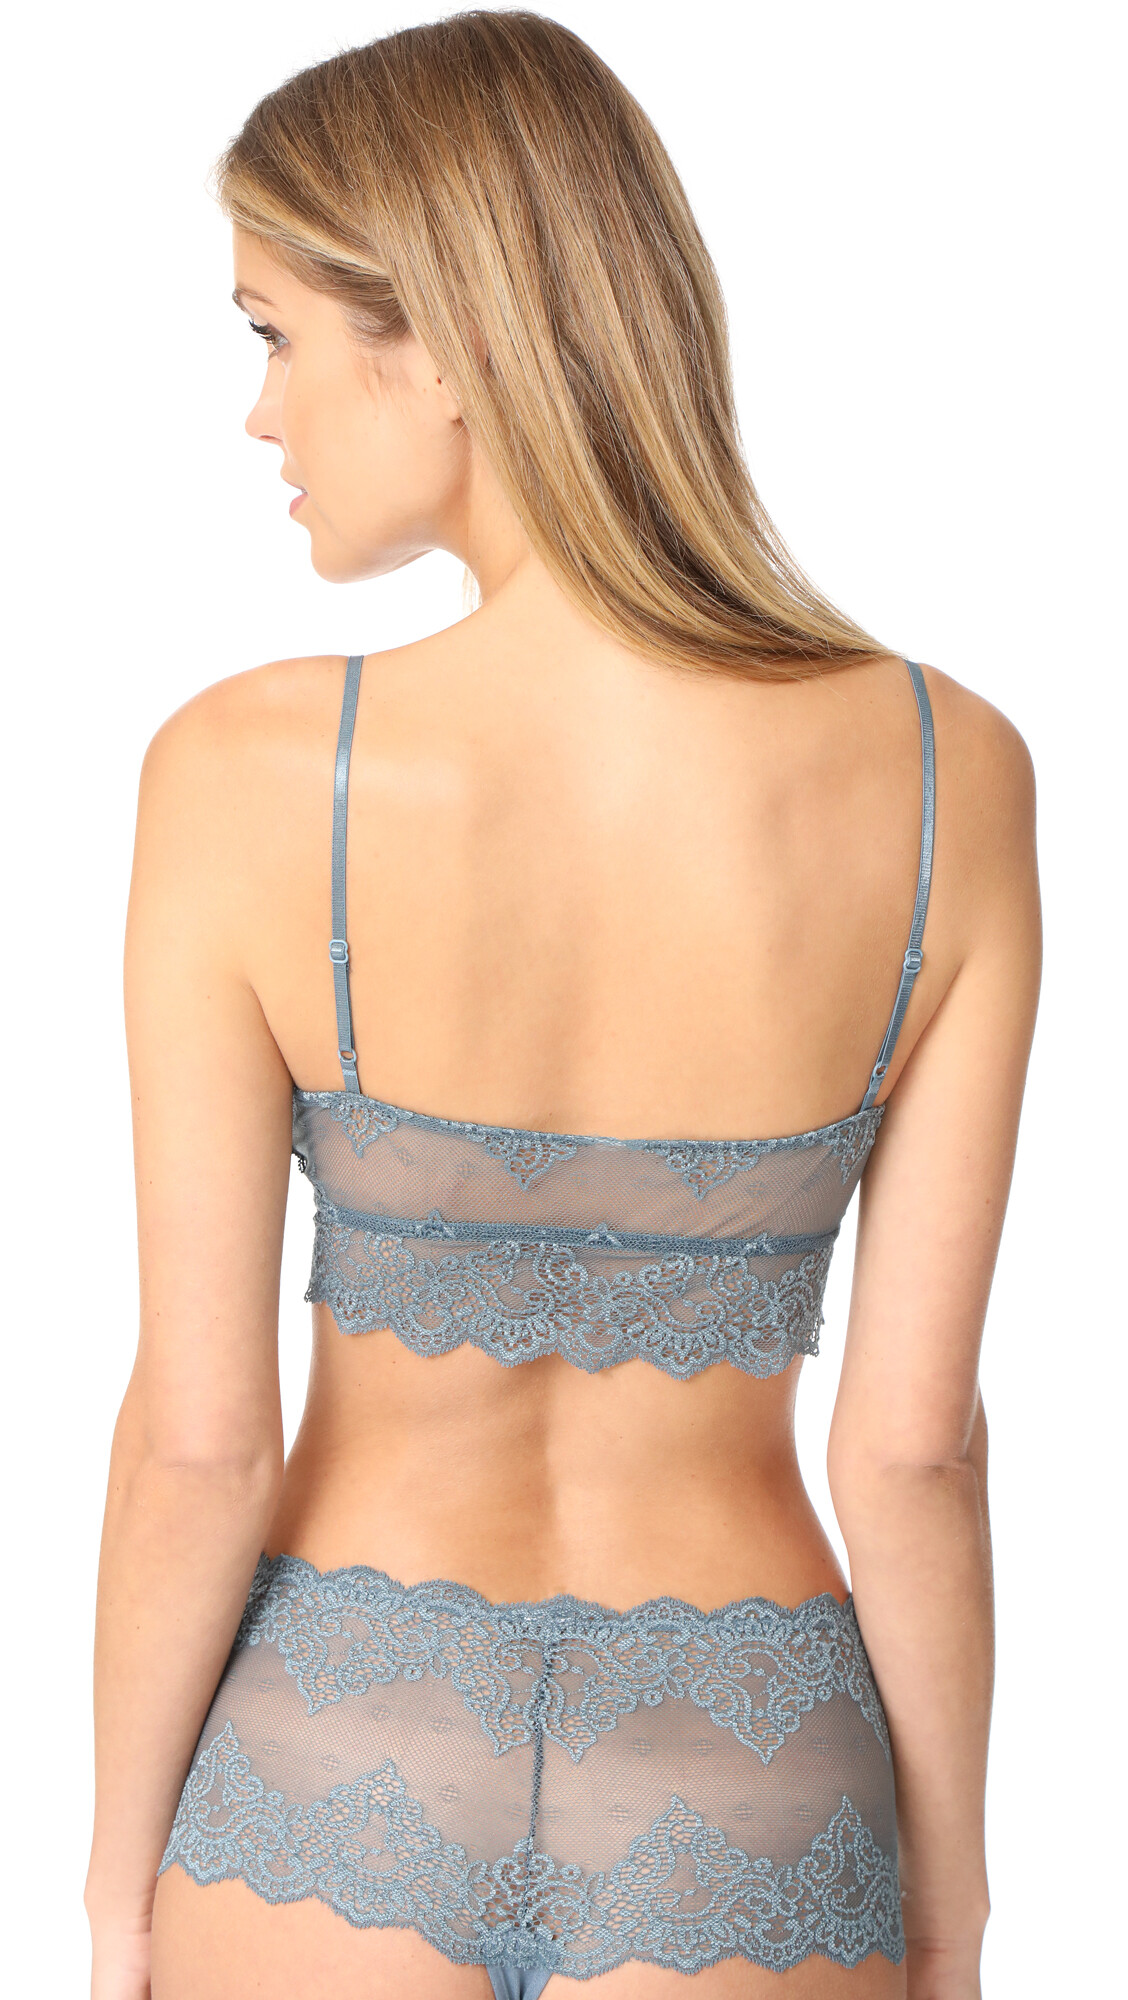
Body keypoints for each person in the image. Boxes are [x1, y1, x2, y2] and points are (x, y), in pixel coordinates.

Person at [83, 13, 1040, 1999]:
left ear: (441, 343)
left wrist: (115, 1890)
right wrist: (950, 1909)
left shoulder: (247, 773)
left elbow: (197, 1441)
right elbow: (913, 1454)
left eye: (272, 334)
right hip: (754, 1780)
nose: (259, 414)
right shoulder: (946, 772)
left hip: (330, 1759)